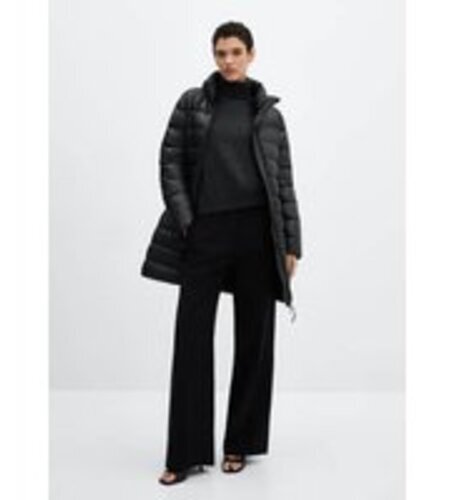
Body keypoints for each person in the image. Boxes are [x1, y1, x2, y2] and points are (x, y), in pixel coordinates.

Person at [140, 20, 302, 485]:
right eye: (220, 53)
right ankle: (185, 453)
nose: (228, 60)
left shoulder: (269, 116)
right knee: (192, 340)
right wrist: (188, 221)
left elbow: (283, 182)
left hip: (257, 235)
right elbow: (170, 163)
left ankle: (240, 443)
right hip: (205, 232)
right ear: (214, 56)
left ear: (251, 54)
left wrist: (291, 242)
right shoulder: (193, 103)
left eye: (235, 52)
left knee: (255, 338)